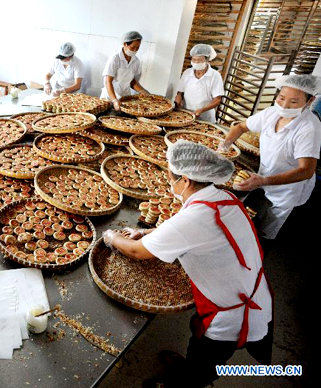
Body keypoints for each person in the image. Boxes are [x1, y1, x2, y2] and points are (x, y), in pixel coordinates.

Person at [103, 140, 273, 387]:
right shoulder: (222, 196)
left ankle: (182, 382)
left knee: (203, 365)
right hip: (250, 291)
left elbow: (136, 252)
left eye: (170, 176)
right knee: (199, 356)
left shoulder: (196, 217)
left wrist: (111, 237)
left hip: (232, 315)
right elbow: (187, 229)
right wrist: (148, 233)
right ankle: (188, 370)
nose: (168, 180)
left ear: (185, 180)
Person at [220, 74, 321, 241]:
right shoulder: (272, 113)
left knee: (267, 229)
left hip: (287, 190)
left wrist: (264, 181)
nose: (285, 105)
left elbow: (306, 170)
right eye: (281, 98)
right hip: (262, 176)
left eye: (294, 102)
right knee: (252, 217)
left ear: (310, 101)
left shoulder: (309, 127)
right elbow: (240, 127)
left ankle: (262, 257)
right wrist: (223, 148)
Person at [174, 44, 224, 122]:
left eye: (200, 60)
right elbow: (180, 91)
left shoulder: (215, 76)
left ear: (207, 60)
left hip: (205, 117)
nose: (196, 62)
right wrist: (179, 96)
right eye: (194, 59)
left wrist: (202, 110)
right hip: (186, 114)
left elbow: (217, 99)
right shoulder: (187, 72)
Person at [101, 30, 149, 111]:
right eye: (132, 47)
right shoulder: (115, 59)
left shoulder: (136, 61)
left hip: (125, 97)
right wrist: (114, 100)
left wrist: (142, 91)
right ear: (125, 44)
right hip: (110, 96)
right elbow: (108, 82)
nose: (135, 50)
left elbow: (132, 81)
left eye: (137, 48)